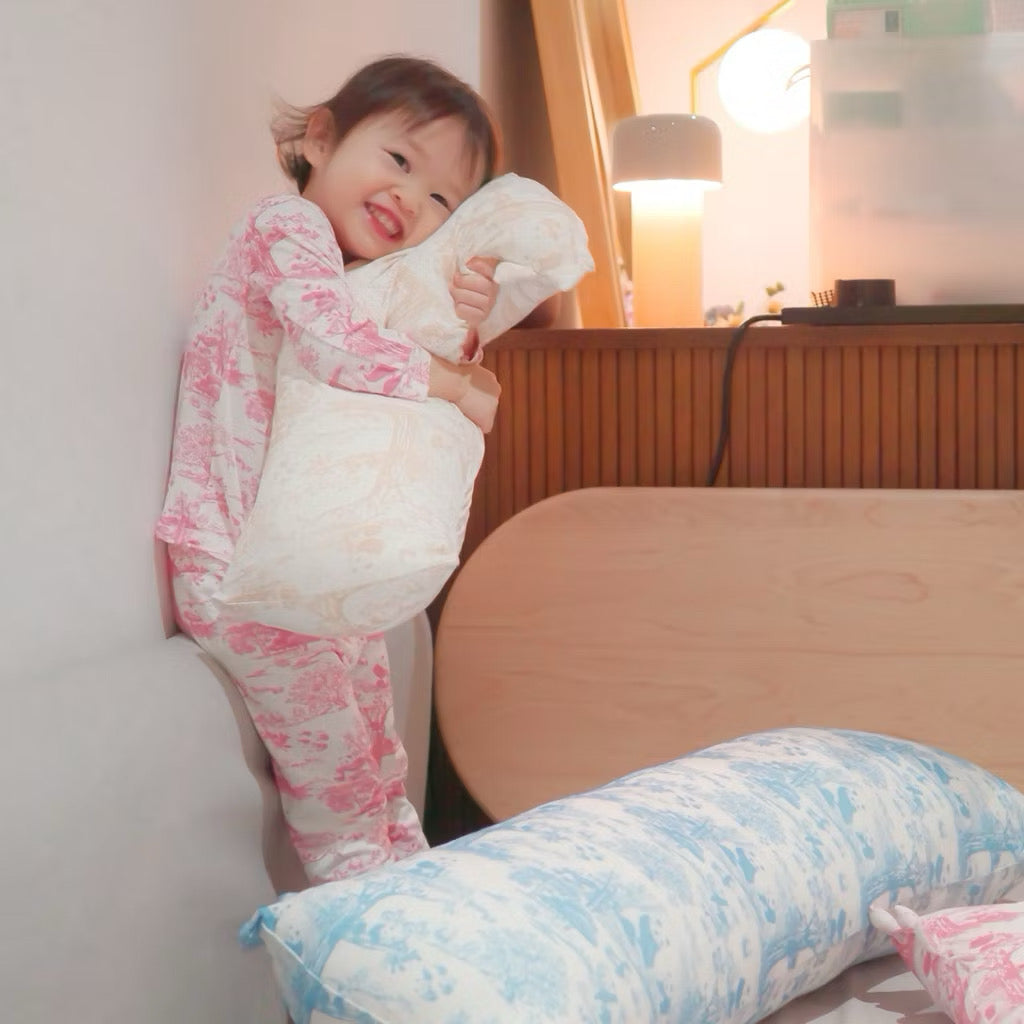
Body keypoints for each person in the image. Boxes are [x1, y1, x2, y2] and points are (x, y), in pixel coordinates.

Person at [155, 55, 503, 886]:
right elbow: (336, 346)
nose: (410, 199)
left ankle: (417, 912)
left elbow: (389, 375)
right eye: (398, 160)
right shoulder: (284, 228)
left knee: (384, 758)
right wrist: (452, 384)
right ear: (320, 139)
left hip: (301, 568)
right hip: (235, 564)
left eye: (442, 198)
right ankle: (363, 942)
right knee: (343, 780)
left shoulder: (357, 281)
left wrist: (462, 327)